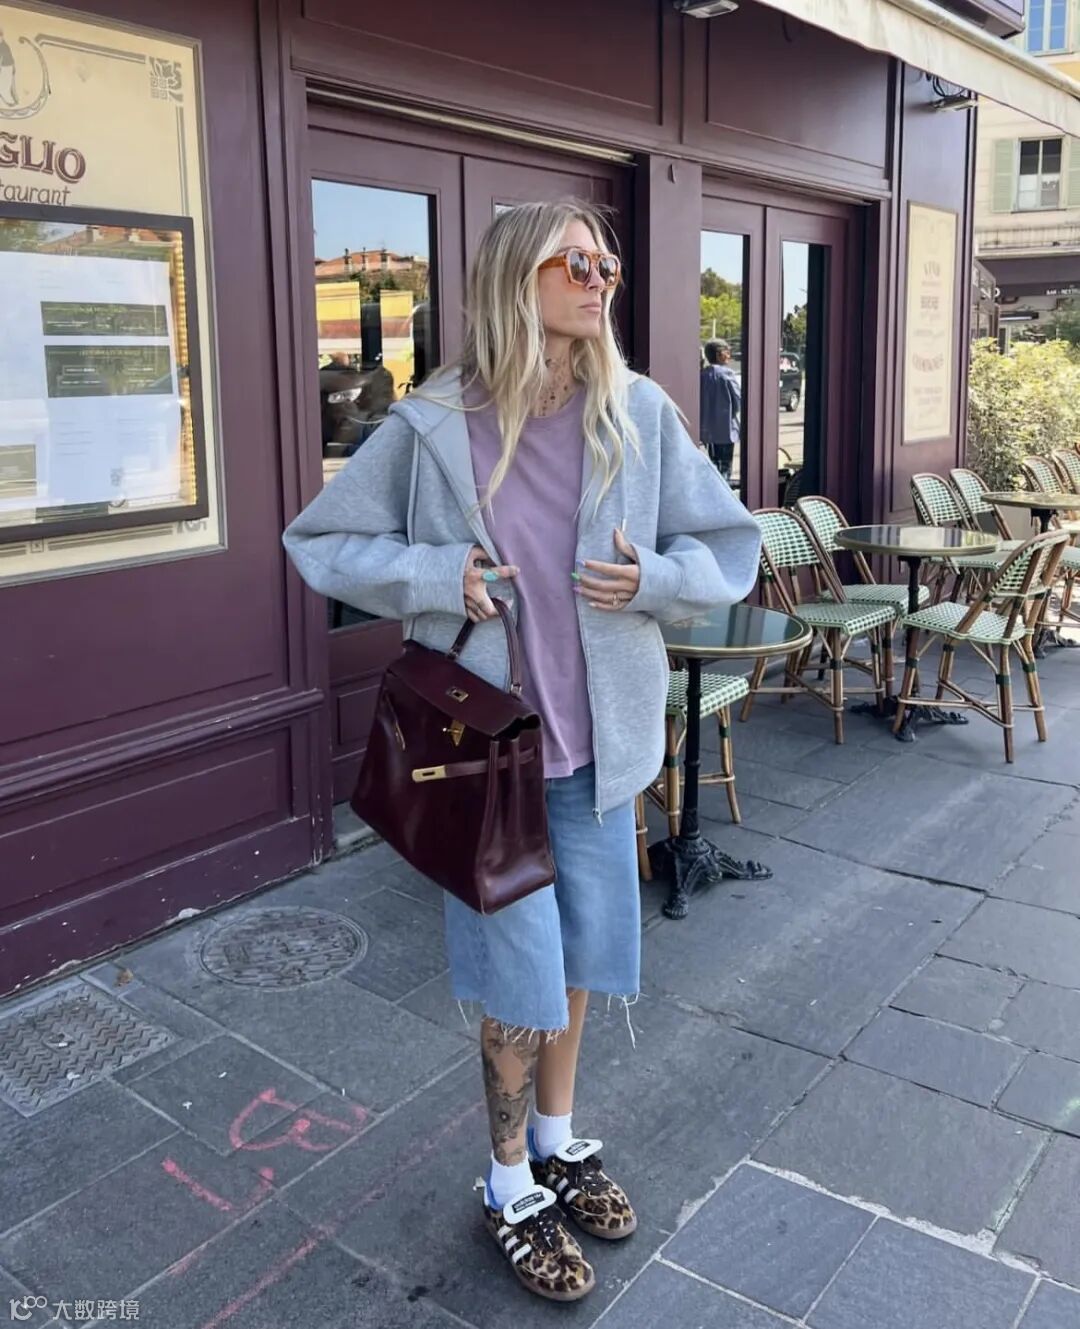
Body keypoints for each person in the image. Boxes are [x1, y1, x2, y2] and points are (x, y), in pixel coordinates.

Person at [282, 202, 761, 1304]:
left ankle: (555, 1137)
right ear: (517, 277)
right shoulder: (434, 424)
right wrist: (433, 572)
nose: (600, 280)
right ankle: (507, 1184)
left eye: (608, 264)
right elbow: (321, 539)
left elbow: (727, 542)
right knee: (520, 977)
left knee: (580, 957)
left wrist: (654, 581)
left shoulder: (637, 412)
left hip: (601, 751)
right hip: (484, 759)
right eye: (576, 262)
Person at [700, 337, 741, 479]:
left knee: (714, 466)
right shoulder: (727, 374)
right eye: (726, 352)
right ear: (718, 355)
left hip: (707, 430)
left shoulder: (703, 375)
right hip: (726, 429)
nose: (729, 355)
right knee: (725, 468)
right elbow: (738, 399)